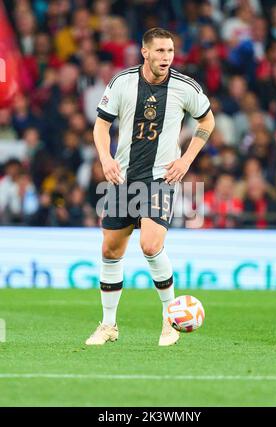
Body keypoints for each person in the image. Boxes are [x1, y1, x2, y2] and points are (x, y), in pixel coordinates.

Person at [86, 27, 215, 347]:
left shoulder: (186, 87)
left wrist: (186, 160)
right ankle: (108, 325)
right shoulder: (122, 82)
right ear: (145, 52)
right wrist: (105, 158)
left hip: (161, 179)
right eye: (159, 51)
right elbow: (101, 124)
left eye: (170, 51)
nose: (166, 57)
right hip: (122, 178)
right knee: (110, 250)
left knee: (150, 245)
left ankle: (170, 321)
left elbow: (207, 121)